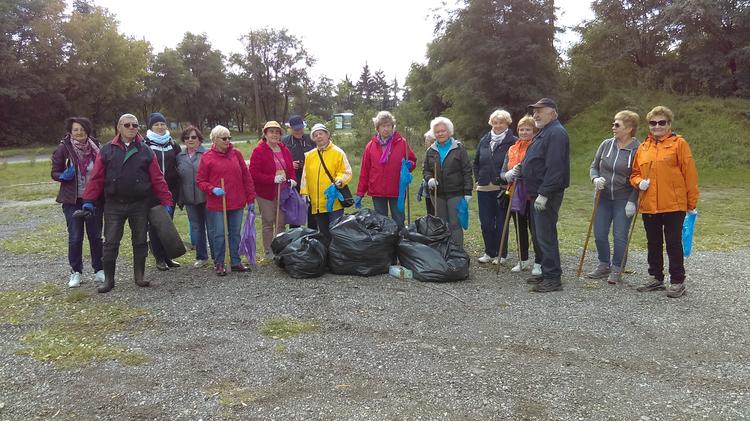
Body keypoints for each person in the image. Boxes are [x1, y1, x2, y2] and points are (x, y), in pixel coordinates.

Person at [82, 114, 174, 293]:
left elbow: (157, 178)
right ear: (119, 127)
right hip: (114, 205)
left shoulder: (145, 150)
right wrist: (88, 201)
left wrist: (166, 200)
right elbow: (96, 178)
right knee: (110, 243)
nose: (132, 127)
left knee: (140, 241)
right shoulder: (107, 150)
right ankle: (109, 280)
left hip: (139, 204)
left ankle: (139, 277)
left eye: (135, 125)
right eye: (127, 125)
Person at [630, 106, 699, 298]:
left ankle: (677, 281)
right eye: (653, 123)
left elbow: (690, 174)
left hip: (674, 204)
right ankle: (656, 278)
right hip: (649, 204)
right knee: (653, 242)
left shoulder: (679, 144)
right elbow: (634, 173)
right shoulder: (643, 147)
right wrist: (638, 183)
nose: (657, 126)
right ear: (649, 125)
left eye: (662, 122)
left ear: (669, 124)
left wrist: (691, 203)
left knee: (673, 243)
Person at [521, 98, 570, 293]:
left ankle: (552, 278)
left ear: (553, 113)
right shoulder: (545, 132)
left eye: (540, 111)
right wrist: (521, 167)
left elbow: (555, 167)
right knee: (540, 235)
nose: (536, 114)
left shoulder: (556, 133)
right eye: (534, 111)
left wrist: (544, 193)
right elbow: (537, 159)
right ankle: (546, 273)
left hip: (546, 193)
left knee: (546, 234)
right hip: (536, 192)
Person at [588, 110, 641, 284]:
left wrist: (632, 200)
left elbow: (639, 175)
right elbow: (594, 166)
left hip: (623, 198)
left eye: (617, 125)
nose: (613, 127)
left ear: (629, 128)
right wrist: (595, 179)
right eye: (613, 124)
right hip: (602, 197)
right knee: (600, 234)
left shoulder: (638, 149)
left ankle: (617, 268)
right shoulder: (606, 144)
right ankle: (604, 264)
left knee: (619, 235)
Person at [51, 117, 104, 288]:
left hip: (94, 199)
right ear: (70, 132)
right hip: (72, 200)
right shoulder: (63, 149)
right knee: (75, 237)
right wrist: (62, 176)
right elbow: (54, 172)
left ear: (87, 130)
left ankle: (99, 270)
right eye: (75, 130)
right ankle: (76, 272)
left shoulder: (97, 147)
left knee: (95, 236)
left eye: (82, 129)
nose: (79, 132)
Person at [196, 125, 256, 276]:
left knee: (235, 233)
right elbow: (200, 181)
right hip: (218, 204)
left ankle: (235, 261)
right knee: (219, 234)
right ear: (215, 140)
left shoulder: (236, 154)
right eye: (224, 138)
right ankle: (219, 262)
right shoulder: (207, 157)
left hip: (237, 201)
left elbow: (246, 177)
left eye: (229, 138)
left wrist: (251, 199)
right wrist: (212, 189)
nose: (227, 141)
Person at [355, 111, 416, 229]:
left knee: (398, 221)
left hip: (396, 189)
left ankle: (399, 245)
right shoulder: (370, 146)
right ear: (377, 128)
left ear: (392, 127)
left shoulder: (402, 143)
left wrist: (409, 165)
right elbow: (365, 171)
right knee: (381, 223)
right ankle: (385, 246)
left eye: (389, 126)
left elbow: (412, 161)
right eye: (383, 126)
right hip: (377, 190)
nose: (386, 129)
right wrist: (360, 192)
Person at [422, 117, 473, 249]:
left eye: (443, 131)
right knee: (441, 223)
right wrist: (429, 179)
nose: (440, 134)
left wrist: (468, 191)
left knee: (455, 223)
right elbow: (426, 169)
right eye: (437, 132)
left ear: (449, 132)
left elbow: (467, 170)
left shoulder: (459, 149)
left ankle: (457, 252)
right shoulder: (431, 150)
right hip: (437, 194)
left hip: (455, 193)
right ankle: (443, 251)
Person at [474, 110, 516, 265]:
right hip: (484, 187)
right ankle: (489, 252)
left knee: (501, 222)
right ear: (491, 123)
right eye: (495, 122)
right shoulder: (484, 140)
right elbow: (476, 162)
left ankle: (501, 253)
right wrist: (478, 179)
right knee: (486, 222)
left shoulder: (513, 141)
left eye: (501, 123)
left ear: (507, 124)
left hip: (503, 187)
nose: (498, 125)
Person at [501, 115, 541, 275]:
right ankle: (523, 259)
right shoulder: (512, 148)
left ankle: (539, 261)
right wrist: (508, 174)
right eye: (521, 129)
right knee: (520, 227)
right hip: (514, 192)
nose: (524, 132)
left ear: (534, 131)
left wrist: (524, 172)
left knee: (535, 228)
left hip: (531, 192)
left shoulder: (537, 146)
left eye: (528, 129)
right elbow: (502, 172)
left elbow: (539, 169)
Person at [250, 121, 296, 259]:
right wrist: (271, 179)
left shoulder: (284, 149)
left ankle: (279, 248)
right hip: (266, 194)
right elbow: (253, 173)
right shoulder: (259, 151)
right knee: (269, 221)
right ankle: (269, 251)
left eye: (277, 132)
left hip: (283, 192)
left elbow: (290, 169)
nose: (275, 134)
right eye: (272, 132)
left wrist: (292, 179)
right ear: (265, 134)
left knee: (281, 222)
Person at [300, 123, 352, 242]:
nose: (319, 136)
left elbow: (346, 171)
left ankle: (337, 258)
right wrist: (304, 193)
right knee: (323, 234)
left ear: (327, 135)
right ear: (313, 138)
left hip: (334, 201)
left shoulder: (338, 153)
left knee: (336, 232)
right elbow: (305, 176)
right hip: (317, 203)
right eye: (316, 135)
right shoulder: (309, 156)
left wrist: (339, 181)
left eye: (321, 134)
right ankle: (326, 257)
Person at [144, 112, 181, 271]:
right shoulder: (145, 144)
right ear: (151, 127)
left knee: (168, 224)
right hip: (152, 191)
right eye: (156, 124)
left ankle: (168, 256)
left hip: (170, 190)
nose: (160, 127)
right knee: (155, 225)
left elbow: (179, 165)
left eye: (162, 124)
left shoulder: (173, 144)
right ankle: (159, 258)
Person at [176, 125, 210, 268]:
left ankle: (217, 257)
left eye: (193, 137)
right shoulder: (180, 157)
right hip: (189, 199)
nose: (190, 139)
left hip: (207, 197)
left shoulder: (207, 154)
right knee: (196, 229)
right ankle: (202, 256)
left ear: (199, 139)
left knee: (213, 228)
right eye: (187, 137)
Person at [416, 130, 436, 216]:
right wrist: (420, 191)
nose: (425, 143)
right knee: (430, 213)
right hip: (427, 190)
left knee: (436, 213)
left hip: (435, 191)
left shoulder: (435, 154)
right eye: (425, 140)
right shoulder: (427, 153)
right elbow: (425, 175)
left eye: (427, 141)